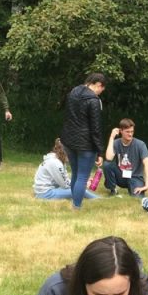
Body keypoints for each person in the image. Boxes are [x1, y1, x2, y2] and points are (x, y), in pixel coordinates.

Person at [60, 72, 105, 209]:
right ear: (97, 84)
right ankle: (76, 206)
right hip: (86, 144)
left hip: (69, 140)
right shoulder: (93, 101)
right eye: (101, 90)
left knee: (75, 173)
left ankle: (75, 202)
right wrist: (99, 151)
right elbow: (95, 129)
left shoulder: (73, 92)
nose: (99, 93)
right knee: (82, 177)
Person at [103, 118, 148, 196]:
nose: (130, 134)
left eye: (132, 131)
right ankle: (113, 189)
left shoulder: (140, 144)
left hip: (135, 177)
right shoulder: (116, 143)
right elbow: (108, 158)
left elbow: (147, 164)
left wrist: (147, 185)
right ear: (121, 131)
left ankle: (133, 188)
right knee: (107, 164)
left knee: (137, 197)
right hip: (121, 175)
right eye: (127, 132)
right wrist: (111, 137)